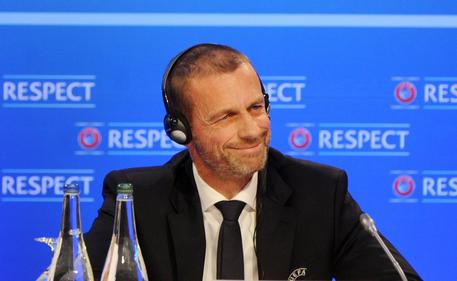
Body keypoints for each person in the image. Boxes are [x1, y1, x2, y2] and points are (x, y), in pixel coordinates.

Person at [85, 43, 421, 281]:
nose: (251, 130)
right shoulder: (137, 199)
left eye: (256, 108)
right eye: (227, 116)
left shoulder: (319, 192)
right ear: (181, 130)